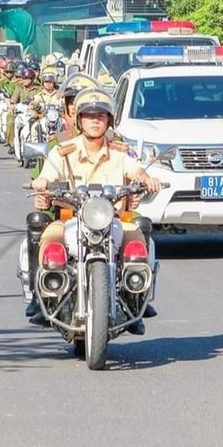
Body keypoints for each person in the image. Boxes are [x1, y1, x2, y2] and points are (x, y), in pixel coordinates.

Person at [27, 87, 163, 333]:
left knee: (140, 239)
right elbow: (46, 175)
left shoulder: (121, 152)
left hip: (114, 221)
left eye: (100, 116)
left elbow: (135, 170)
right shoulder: (63, 151)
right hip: (71, 220)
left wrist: (146, 178)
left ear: (108, 120)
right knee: (48, 241)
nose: (95, 121)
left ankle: (136, 298)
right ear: (79, 119)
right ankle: (43, 296)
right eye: (89, 116)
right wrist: (42, 184)